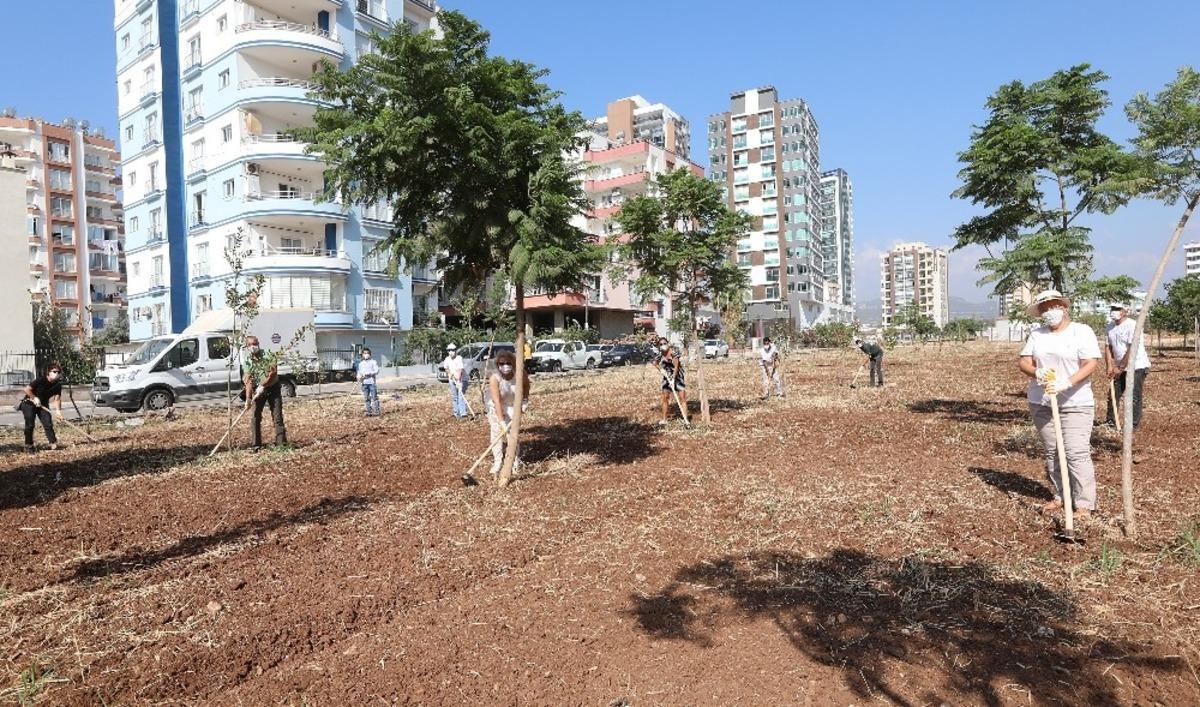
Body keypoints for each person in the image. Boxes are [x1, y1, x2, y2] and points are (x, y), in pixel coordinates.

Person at [1018, 290, 1102, 519]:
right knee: (1053, 451)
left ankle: (1084, 503)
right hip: (1041, 401)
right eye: (1044, 309)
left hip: (1076, 402)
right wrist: (1037, 372)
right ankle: (1061, 495)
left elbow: (1090, 363)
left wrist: (1067, 382)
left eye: (1053, 306)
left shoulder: (1081, 331)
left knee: (1076, 452)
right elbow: (1024, 362)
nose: (1049, 312)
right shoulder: (1037, 335)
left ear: (1063, 307)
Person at [1104, 304, 1151, 438]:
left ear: (1125, 311)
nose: (1114, 312)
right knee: (1113, 394)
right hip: (1119, 367)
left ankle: (1132, 425)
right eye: (1112, 309)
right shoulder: (1109, 327)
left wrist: (1120, 367)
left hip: (1136, 366)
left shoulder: (1132, 325)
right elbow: (1108, 347)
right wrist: (1109, 366)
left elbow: (1132, 348)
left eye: (1117, 309)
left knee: (1133, 396)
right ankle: (1111, 422)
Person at [484, 350, 530, 477]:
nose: (505, 366)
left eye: (508, 363)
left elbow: (526, 386)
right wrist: (501, 422)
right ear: (498, 365)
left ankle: (514, 461)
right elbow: (497, 401)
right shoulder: (495, 378)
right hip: (496, 406)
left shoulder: (520, 374)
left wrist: (525, 401)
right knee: (496, 433)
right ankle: (498, 462)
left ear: (513, 363)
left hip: (512, 405)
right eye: (502, 363)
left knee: (512, 435)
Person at [242, 336, 287, 450]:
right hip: (258, 390)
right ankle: (256, 445)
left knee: (277, 416)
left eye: (255, 343)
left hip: (273, 388)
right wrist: (248, 398)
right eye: (250, 345)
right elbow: (248, 380)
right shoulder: (247, 361)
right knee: (255, 416)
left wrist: (263, 385)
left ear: (258, 343)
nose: (253, 346)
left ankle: (281, 444)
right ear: (247, 347)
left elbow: (273, 373)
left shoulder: (268, 354)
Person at [19, 363, 65, 452]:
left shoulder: (57, 385)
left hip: (43, 405)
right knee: (30, 425)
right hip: (29, 404)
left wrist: (58, 411)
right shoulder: (40, 380)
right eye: (54, 372)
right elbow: (27, 389)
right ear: (48, 372)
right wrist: (34, 398)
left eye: (58, 372)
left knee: (48, 423)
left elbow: (57, 399)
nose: (57, 374)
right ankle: (28, 445)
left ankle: (53, 443)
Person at [653, 337, 687, 425]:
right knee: (665, 397)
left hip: (678, 377)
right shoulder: (660, 355)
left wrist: (673, 379)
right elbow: (655, 363)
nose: (663, 345)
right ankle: (664, 419)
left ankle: (685, 420)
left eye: (664, 343)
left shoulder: (673, 353)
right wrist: (661, 370)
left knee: (682, 397)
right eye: (661, 344)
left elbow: (676, 366)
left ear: (667, 343)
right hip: (667, 377)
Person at [442, 343, 469, 419]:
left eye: (452, 350)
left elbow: (460, 370)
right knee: (454, 396)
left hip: (462, 380)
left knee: (461, 396)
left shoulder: (459, 358)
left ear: (455, 351)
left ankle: (463, 413)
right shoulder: (447, 359)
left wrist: (458, 380)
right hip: (452, 379)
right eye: (449, 350)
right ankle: (456, 413)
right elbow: (446, 368)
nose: (451, 352)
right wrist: (450, 373)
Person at [357, 347, 381, 417]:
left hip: (371, 383)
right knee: (366, 398)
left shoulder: (373, 362)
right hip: (364, 383)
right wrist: (358, 376)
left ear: (370, 354)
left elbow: (377, 371)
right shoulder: (361, 364)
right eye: (364, 353)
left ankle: (376, 412)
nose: (366, 354)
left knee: (374, 398)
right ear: (362, 355)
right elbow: (359, 372)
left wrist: (369, 373)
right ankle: (368, 412)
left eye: (367, 353)